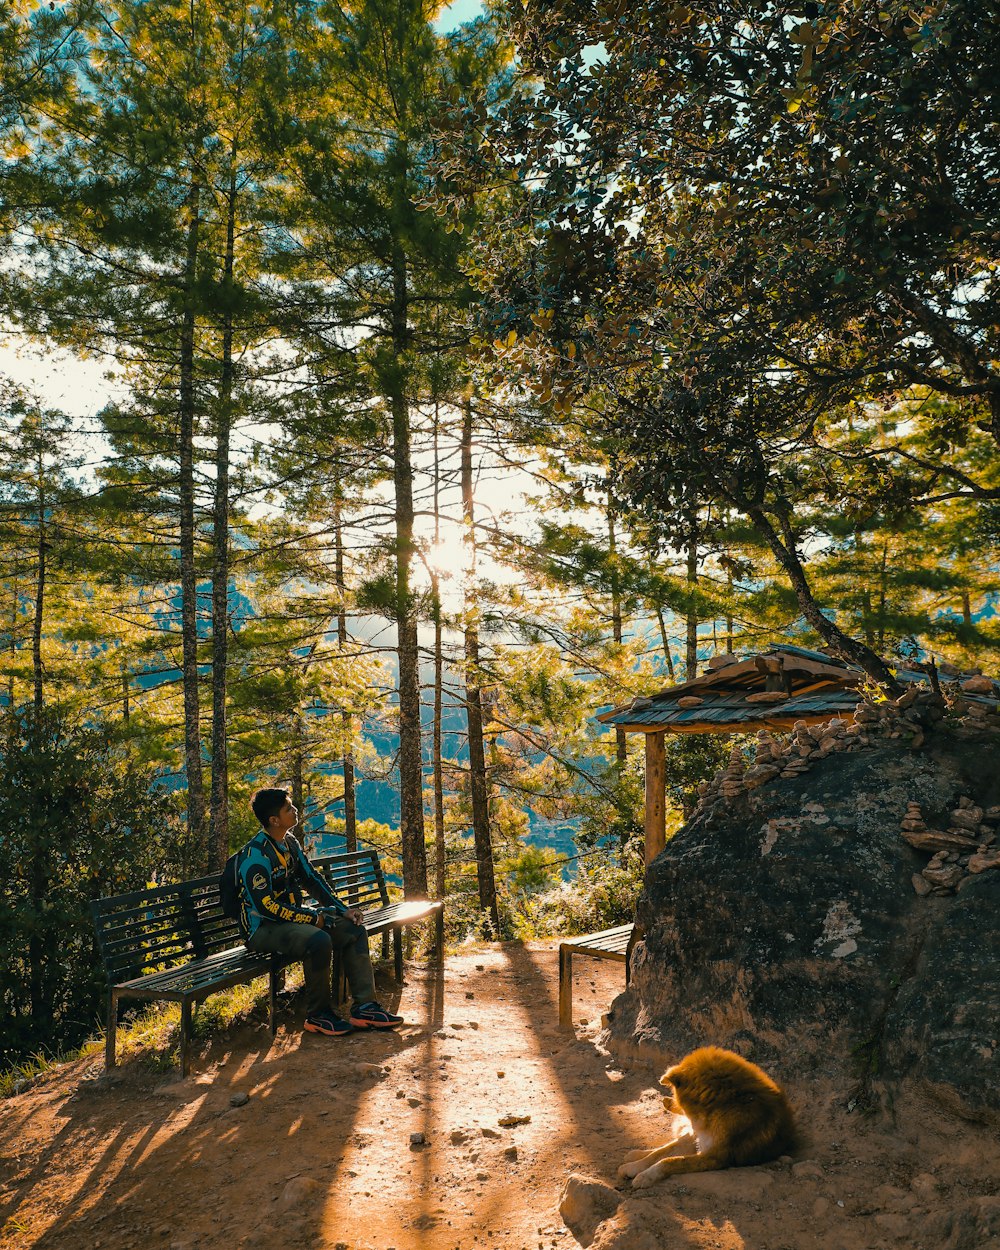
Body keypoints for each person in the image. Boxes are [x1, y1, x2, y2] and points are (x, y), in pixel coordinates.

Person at [235, 786, 403, 1038]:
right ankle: (318, 1015)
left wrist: (343, 910)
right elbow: (265, 907)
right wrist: (313, 918)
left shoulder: (289, 843)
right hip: (262, 929)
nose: (295, 810)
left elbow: (312, 880)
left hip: (291, 920)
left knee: (352, 929)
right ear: (274, 820)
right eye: (288, 808)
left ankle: (365, 1007)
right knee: (318, 940)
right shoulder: (255, 856)